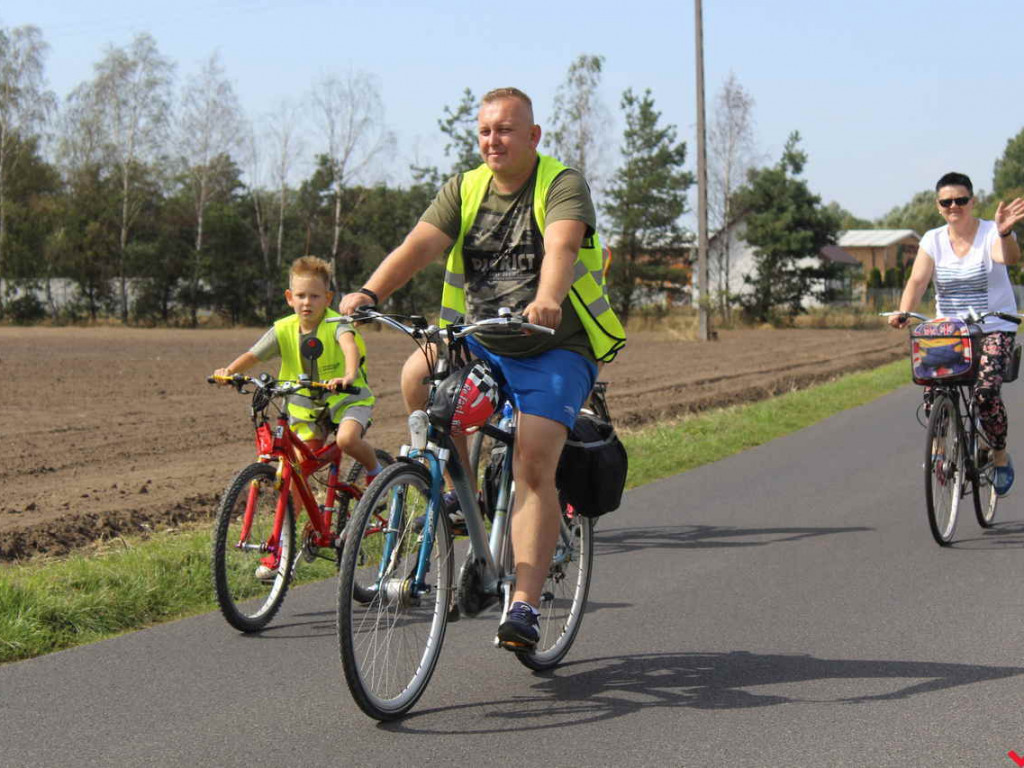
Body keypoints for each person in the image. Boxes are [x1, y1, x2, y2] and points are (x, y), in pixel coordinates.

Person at [339, 87, 625, 649]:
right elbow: (419, 245)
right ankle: (457, 491)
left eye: (506, 129)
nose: (494, 140)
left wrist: (547, 297)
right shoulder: (466, 188)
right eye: (486, 131)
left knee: (533, 462)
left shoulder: (560, 184)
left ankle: (522, 607)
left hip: (554, 346)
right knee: (416, 378)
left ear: (533, 136)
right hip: (482, 341)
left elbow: (562, 248)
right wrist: (371, 290)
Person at [214, 256, 383, 578]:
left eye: (315, 296)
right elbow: (254, 353)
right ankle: (281, 550)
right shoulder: (283, 329)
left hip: (346, 399)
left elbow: (349, 347)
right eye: (301, 296)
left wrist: (348, 375)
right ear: (289, 298)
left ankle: (374, 470)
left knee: (347, 439)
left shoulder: (337, 324)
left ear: (328, 299)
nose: (308, 303)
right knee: (296, 473)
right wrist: (230, 372)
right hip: (305, 406)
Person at [890, 172, 1024, 496]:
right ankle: (939, 449)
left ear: (972, 202)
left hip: (994, 327)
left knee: (985, 394)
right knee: (932, 387)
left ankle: (999, 453)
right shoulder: (933, 240)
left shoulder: (992, 232)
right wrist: (904, 309)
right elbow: (918, 281)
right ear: (938, 207)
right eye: (947, 201)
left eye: (961, 200)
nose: (954, 206)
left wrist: (1006, 233)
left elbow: (1008, 259)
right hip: (950, 332)